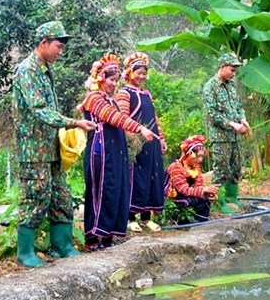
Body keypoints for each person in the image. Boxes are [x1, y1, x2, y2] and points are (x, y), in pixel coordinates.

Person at [12, 21, 97, 268]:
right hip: (34, 150)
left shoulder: (46, 70)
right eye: (58, 46)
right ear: (43, 43)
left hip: (52, 148)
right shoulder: (27, 70)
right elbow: (39, 110)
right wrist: (75, 123)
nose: (61, 52)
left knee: (61, 196)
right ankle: (25, 252)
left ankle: (61, 246)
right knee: (35, 197)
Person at [79, 54, 155, 251]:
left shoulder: (109, 99)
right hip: (101, 153)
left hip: (115, 152)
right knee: (101, 191)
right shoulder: (94, 98)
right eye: (111, 79)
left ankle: (109, 236)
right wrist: (140, 128)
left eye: (116, 80)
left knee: (116, 189)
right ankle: (93, 237)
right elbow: (113, 118)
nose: (114, 84)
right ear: (100, 78)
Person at [115, 52, 165, 233]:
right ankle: (130, 218)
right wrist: (133, 141)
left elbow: (155, 119)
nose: (142, 76)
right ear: (129, 72)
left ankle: (146, 218)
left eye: (144, 73)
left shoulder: (146, 93)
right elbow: (122, 118)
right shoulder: (124, 93)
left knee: (152, 177)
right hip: (136, 144)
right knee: (135, 179)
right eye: (138, 73)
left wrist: (162, 139)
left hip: (152, 143)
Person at [202, 53, 250, 214]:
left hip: (235, 136)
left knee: (236, 168)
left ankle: (232, 198)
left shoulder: (231, 85)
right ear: (222, 67)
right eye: (232, 70)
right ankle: (220, 201)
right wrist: (232, 124)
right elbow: (212, 114)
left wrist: (243, 120)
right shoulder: (210, 87)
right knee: (221, 169)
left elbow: (238, 106)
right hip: (221, 137)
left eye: (235, 70)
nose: (233, 73)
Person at [164, 135, 218, 224]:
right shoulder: (176, 167)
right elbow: (184, 190)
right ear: (189, 154)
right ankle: (181, 222)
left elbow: (199, 185)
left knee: (205, 199)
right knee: (188, 202)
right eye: (198, 156)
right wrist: (203, 190)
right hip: (174, 198)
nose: (200, 160)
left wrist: (207, 193)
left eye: (202, 156)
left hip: (188, 195)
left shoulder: (196, 167)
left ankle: (198, 222)